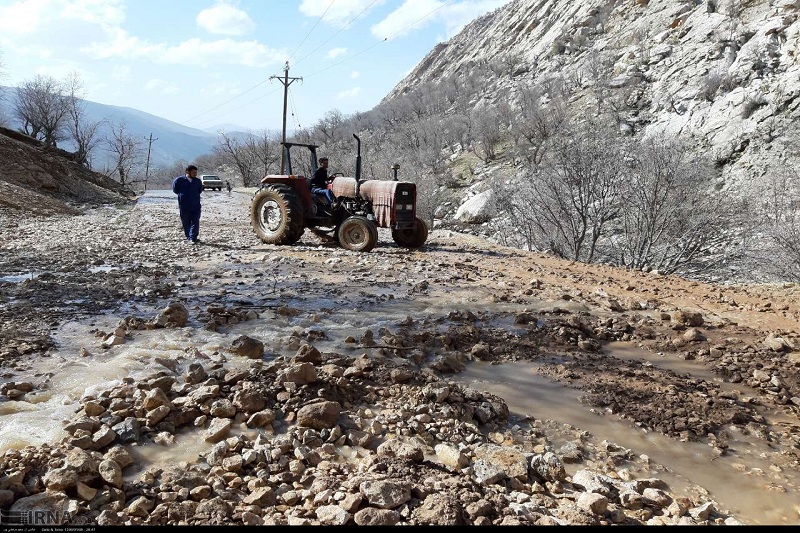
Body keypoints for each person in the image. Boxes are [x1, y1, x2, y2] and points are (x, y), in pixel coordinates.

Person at [172, 164, 203, 244]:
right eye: (193, 172)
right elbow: (175, 190)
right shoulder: (179, 180)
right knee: (186, 221)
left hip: (195, 204)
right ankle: (189, 236)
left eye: (196, 173)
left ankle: (193, 237)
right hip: (184, 205)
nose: (195, 174)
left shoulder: (197, 181)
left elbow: (199, 191)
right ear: (188, 172)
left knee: (196, 220)